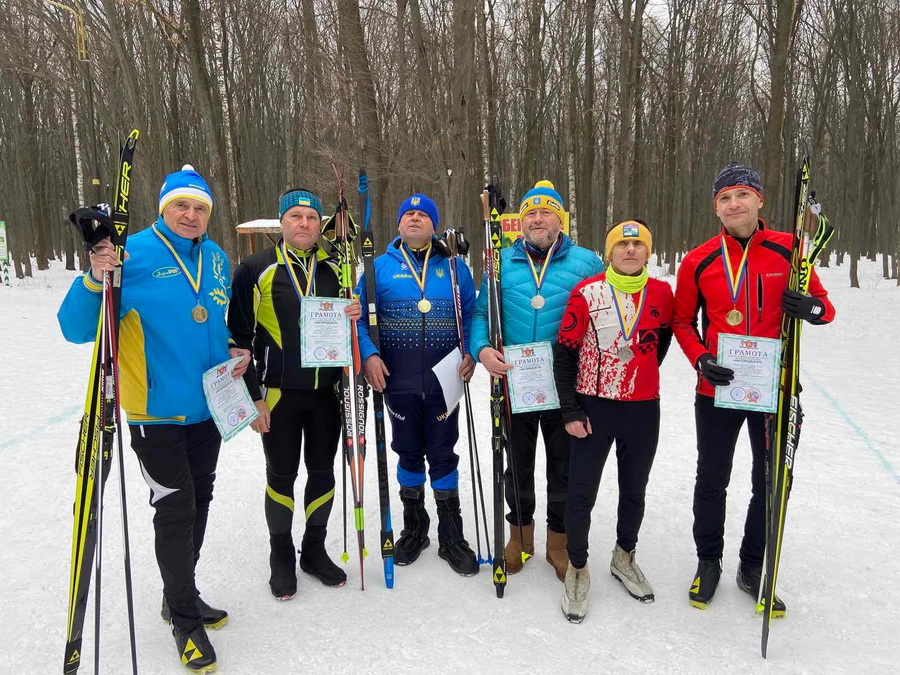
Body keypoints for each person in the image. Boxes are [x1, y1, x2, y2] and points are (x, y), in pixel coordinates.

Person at [58, 166, 250, 673]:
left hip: (208, 407)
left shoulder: (215, 256)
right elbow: (75, 329)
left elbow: (213, 319)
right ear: (162, 208)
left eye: (201, 208)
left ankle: (178, 593)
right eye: (181, 206)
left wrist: (231, 347)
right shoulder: (131, 253)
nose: (191, 216)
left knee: (201, 501)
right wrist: (95, 278)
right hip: (155, 412)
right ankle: (185, 619)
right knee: (176, 509)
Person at [673, 163, 836, 613]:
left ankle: (752, 566)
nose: (734, 204)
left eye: (742, 195)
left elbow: (826, 310)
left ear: (759, 200)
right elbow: (682, 321)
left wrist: (812, 307)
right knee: (712, 478)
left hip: (776, 390)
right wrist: (701, 359)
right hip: (718, 391)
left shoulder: (790, 250)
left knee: (770, 481)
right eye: (724, 198)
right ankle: (709, 561)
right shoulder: (699, 259)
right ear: (715, 208)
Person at [228, 188, 362, 600]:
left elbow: (351, 330)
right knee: (281, 476)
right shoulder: (255, 267)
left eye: (310, 217)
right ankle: (281, 554)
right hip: (279, 395)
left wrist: (354, 311)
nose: (303, 224)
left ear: (319, 223)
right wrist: (253, 397)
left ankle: (314, 551)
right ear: (282, 222)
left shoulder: (337, 267)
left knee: (323, 472)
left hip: (326, 394)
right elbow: (238, 339)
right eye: (295, 217)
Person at [471, 180, 603, 582]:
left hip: (565, 386)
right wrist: (482, 350)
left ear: (560, 219)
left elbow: (604, 318)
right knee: (517, 467)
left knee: (563, 468)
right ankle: (519, 537)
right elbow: (480, 315)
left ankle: (557, 543)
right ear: (519, 221)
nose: (538, 219)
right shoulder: (500, 261)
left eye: (547, 212)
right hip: (515, 384)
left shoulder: (586, 261)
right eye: (530, 212)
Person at [554, 220, 673, 622]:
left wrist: (638, 376)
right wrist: (571, 410)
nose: (630, 250)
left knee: (634, 490)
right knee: (581, 493)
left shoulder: (661, 292)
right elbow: (565, 354)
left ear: (648, 252)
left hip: (642, 407)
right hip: (593, 407)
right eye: (622, 244)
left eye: (638, 243)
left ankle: (624, 555)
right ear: (609, 251)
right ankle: (578, 565)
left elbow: (662, 345)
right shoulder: (587, 293)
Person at [355, 194, 479, 576]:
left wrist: (473, 349)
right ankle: (414, 528)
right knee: (407, 452)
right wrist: (369, 355)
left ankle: (452, 534)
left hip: (446, 380)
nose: (414, 218)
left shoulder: (455, 268)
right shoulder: (378, 269)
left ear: (434, 225)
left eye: (423, 215)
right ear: (398, 224)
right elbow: (357, 318)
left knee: (443, 453)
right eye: (408, 213)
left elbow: (474, 315)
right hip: (398, 380)